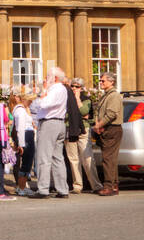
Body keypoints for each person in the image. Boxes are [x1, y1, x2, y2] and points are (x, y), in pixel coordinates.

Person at [30, 66, 70, 198]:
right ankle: (62, 189)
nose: (45, 79)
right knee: (57, 158)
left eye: (48, 76)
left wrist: (44, 91)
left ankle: (43, 189)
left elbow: (43, 104)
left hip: (49, 123)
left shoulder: (55, 89)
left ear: (55, 78)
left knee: (44, 157)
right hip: (59, 123)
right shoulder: (62, 89)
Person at [64, 77, 97, 194]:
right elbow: (65, 114)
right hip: (70, 129)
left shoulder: (85, 99)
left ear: (81, 88)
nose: (74, 88)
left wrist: (77, 99)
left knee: (87, 159)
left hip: (83, 130)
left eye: (77, 86)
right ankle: (77, 185)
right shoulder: (65, 99)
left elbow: (84, 111)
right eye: (72, 86)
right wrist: (79, 113)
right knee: (73, 159)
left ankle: (95, 184)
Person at [93, 72, 124, 195]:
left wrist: (99, 125)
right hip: (106, 128)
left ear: (111, 82)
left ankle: (109, 186)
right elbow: (99, 112)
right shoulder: (106, 95)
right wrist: (98, 124)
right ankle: (114, 185)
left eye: (103, 81)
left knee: (108, 159)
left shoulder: (114, 96)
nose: (101, 83)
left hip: (112, 129)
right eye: (100, 81)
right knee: (110, 158)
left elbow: (111, 114)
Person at [11, 93, 36, 195]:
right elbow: (20, 128)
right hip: (26, 136)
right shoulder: (21, 111)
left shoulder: (20, 110)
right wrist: (21, 144)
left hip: (26, 135)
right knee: (27, 163)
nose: (30, 103)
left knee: (26, 163)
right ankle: (21, 187)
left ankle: (21, 186)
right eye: (30, 101)